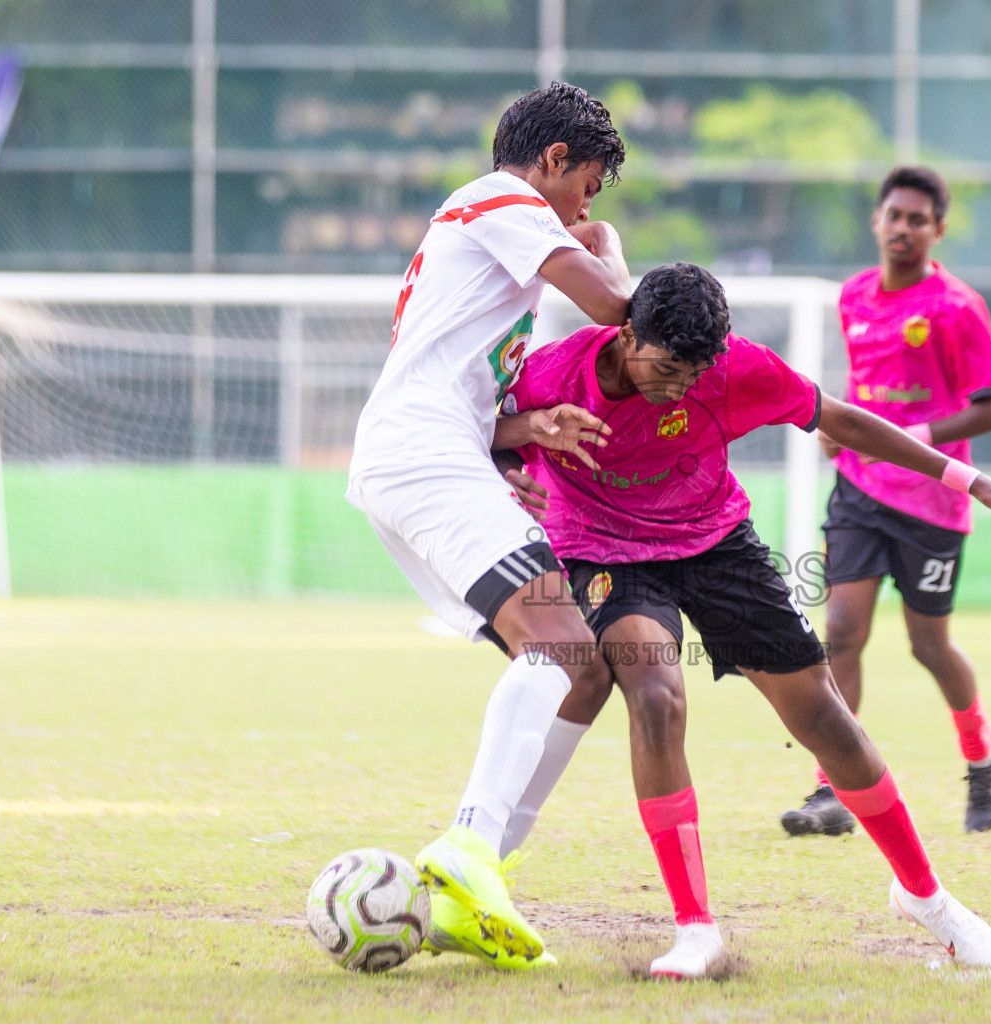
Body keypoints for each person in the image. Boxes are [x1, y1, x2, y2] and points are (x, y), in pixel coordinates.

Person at [499, 263, 991, 977]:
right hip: (606, 552)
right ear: (625, 334)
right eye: (667, 368)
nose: (681, 388)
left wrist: (972, 479)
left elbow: (842, 418)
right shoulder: (550, 374)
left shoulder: (733, 370)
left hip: (715, 542)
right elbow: (482, 431)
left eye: (695, 373)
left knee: (823, 715)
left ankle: (927, 898)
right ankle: (696, 929)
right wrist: (517, 449)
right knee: (657, 696)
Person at [345, 81, 633, 969]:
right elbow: (619, 311)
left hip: (433, 453)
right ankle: (468, 846)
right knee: (559, 639)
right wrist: (611, 251)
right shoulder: (502, 198)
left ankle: (476, 881)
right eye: (588, 185)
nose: (588, 207)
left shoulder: (490, 236)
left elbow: (462, 385)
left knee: (584, 669)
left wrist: (526, 431)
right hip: (422, 455)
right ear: (552, 163)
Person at [780, 166, 991, 838]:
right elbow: (866, 388)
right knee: (843, 632)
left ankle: (983, 753)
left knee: (928, 645)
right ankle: (835, 788)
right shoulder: (855, 296)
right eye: (894, 215)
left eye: (918, 219)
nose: (903, 228)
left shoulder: (957, 307)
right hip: (858, 491)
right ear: (877, 220)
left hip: (934, 503)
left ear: (937, 230)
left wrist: (912, 437)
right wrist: (841, 429)